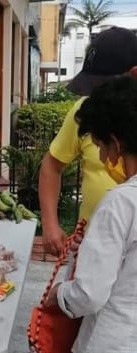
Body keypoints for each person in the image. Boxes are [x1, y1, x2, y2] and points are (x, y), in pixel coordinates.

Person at [44, 75, 137, 352]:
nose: (105, 158)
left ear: (116, 144)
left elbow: (89, 294)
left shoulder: (121, 202)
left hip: (112, 339)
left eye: (101, 147)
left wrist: (57, 294)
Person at [38, 26, 137, 257]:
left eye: (102, 89)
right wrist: (50, 224)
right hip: (92, 249)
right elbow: (52, 165)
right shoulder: (89, 112)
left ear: (134, 75)